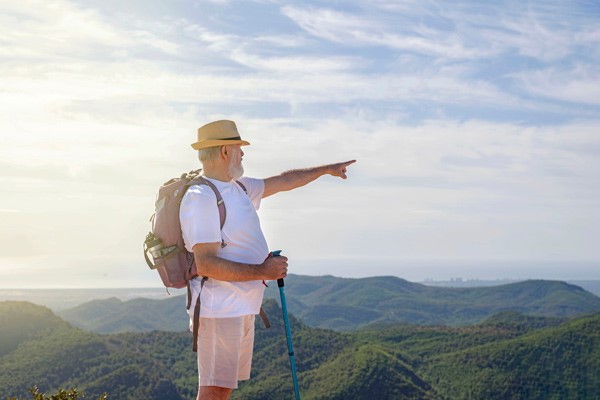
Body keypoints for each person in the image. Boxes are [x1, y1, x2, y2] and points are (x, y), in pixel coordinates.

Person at [179, 120, 355, 400]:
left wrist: (324, 170)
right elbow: (206, 263)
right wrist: (263, 270)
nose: (243, 154)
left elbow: (284, 181)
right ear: (225, 151)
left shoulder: (238, 188)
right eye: (239, 148)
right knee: (213, 391)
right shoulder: (201, 197)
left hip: (239, 307)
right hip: (219, 310)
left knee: (222, 390)